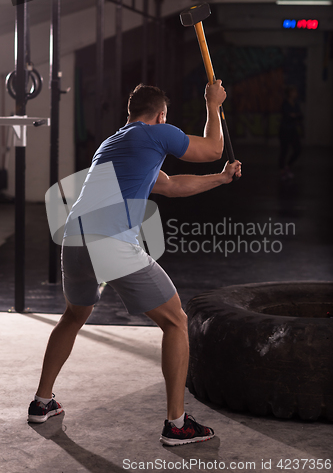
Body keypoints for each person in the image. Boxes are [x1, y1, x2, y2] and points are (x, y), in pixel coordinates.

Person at [28, 80, 242, 446]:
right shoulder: (157, 134)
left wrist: (220, 179)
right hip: (110, 241)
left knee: (73, 316)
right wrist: (212, 104)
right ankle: (177, 425)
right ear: (161, 115)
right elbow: (213, 148)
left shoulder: (113, 145)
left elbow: (171, 185)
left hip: (74, 241)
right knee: (176, 321)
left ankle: (42, 402)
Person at [279, 86, 303, 181]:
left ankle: (287, 167)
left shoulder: (296, 104)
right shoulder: (285, 104)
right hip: (285, 130)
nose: (295, 93)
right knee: (284, 151)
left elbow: (300, 116)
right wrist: (294, 116)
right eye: (293, 91)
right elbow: (288, 116)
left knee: (298, 149)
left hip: (292, 130)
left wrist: (294, 115)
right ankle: (282, 171)